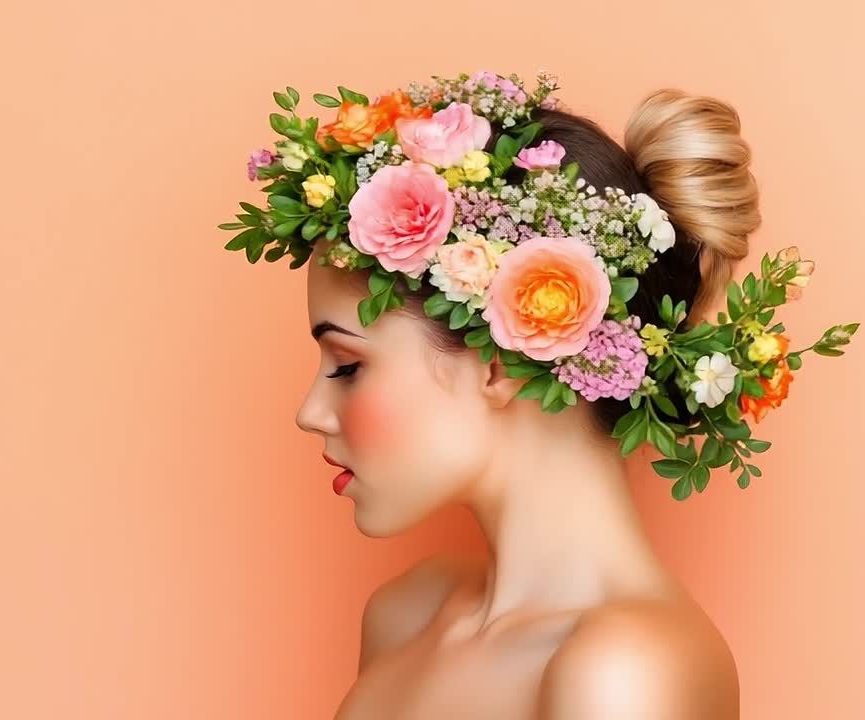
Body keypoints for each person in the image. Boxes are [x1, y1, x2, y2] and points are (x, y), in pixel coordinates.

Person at [293, 86, 756, 719]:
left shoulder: (627, 673)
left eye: (348, 365)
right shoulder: (406, 614)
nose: (309, 412)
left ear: (497, 364)